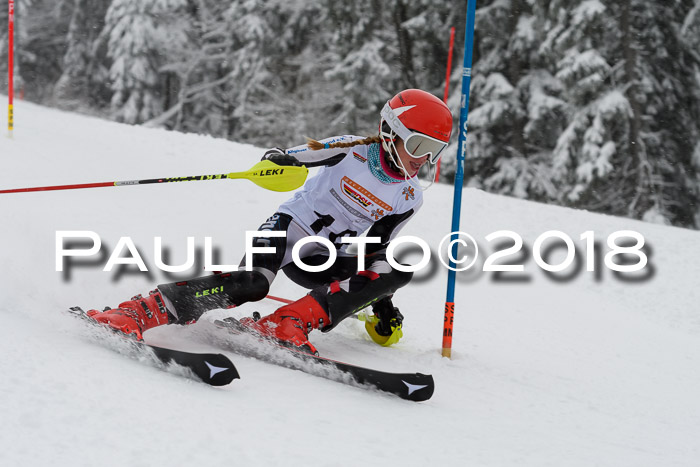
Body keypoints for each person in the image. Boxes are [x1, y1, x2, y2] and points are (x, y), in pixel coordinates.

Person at [86, 89, 453, 355]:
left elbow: (375, 249)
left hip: (326, 260)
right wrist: (280, 162)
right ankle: (138, 310)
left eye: (434, 151)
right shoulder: (352, 149)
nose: (424, 159)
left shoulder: (409, 197)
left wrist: (381, 302)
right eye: (418, 145)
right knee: (251, 284)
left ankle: (287, 322)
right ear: (391, 132)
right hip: (288, 229)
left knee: (400, 267)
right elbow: (288, 157)